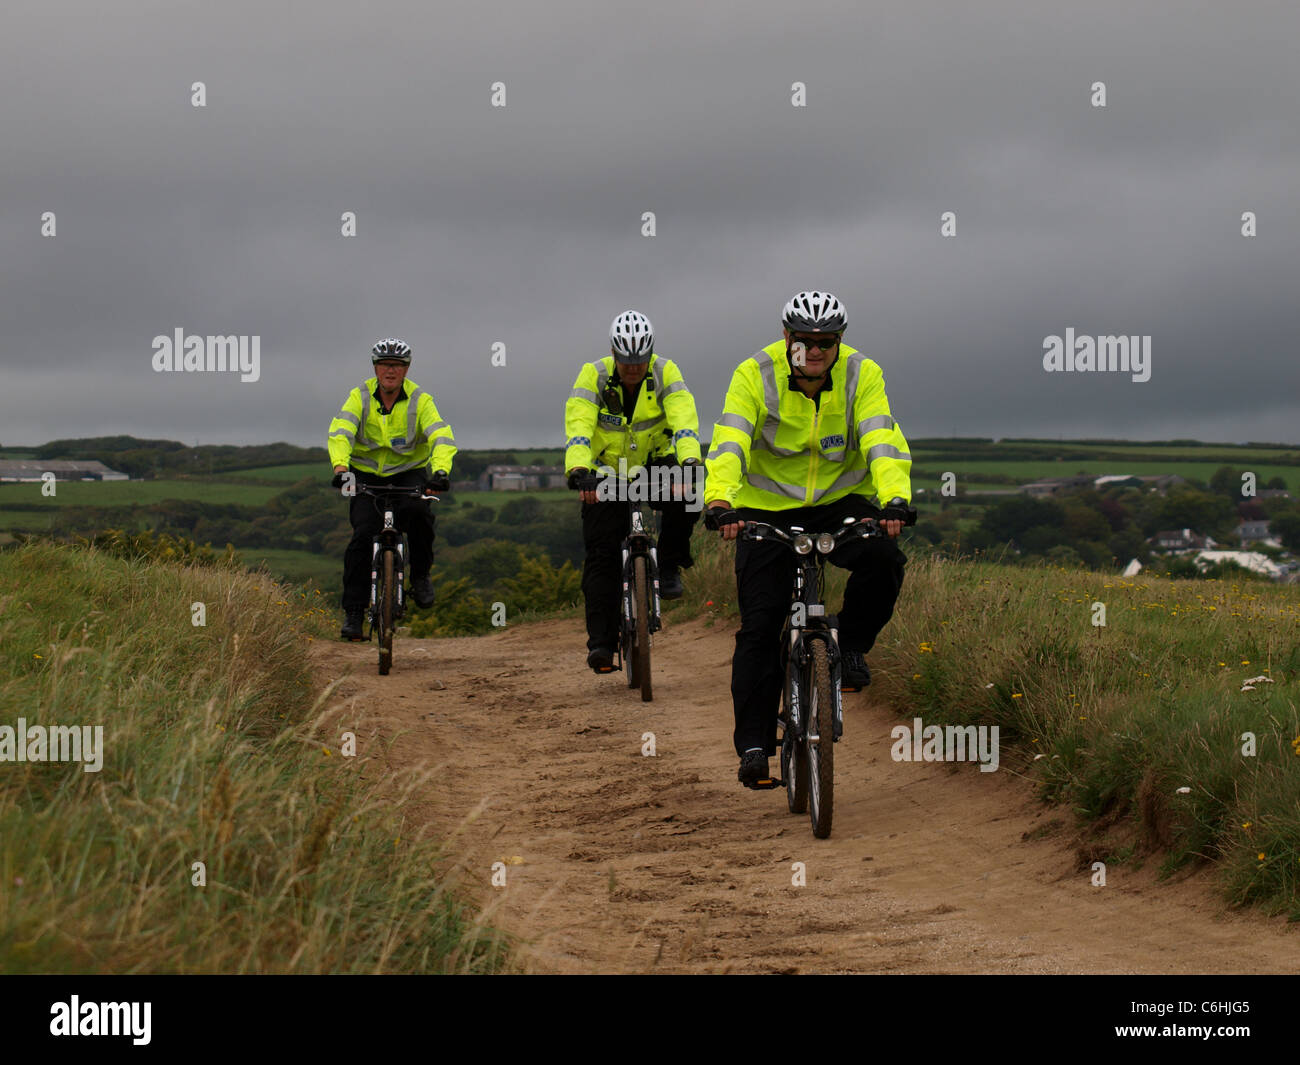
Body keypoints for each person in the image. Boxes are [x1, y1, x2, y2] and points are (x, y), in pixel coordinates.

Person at [702, 291, 914, 787]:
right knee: (760, 624)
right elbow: (731, 441)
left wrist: (894, 501)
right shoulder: (754, 374)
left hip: (842, 499)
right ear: (787, 339)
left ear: (838, 342)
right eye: (805, 341)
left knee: (883, 559)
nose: (815, 351)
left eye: (826, 341)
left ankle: (852, 645)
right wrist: (720, 503)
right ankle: (754, 747)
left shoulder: (864, 373)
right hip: (766, 507)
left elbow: (880, 438)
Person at [564, 311, 703, 673]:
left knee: (691, 491)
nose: (633, 368)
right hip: (604, 472)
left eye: (640, 360)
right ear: (614, 353)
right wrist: (579, 470)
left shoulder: (665, 372)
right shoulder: (592, 375)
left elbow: (684, 420)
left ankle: (670, 565)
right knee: (601, 557)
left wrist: (690, 463)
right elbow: (579, 425)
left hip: (654, 463)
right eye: (626, 361)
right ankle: (602, 645)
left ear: (650, 354)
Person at [328, 338, 457, 640]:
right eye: (385, 364)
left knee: (421, 517)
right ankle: (354, 614)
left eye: (397, 366)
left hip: (407, 474)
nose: (390, 370)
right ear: (375, 368)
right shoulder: (358, 397)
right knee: (362, 537)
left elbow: (440, 435)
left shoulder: (420, 400)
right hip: (365, 475)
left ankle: (421, 577)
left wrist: (440, 471)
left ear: (406, 369)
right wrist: (341, 469)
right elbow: (341, 432)